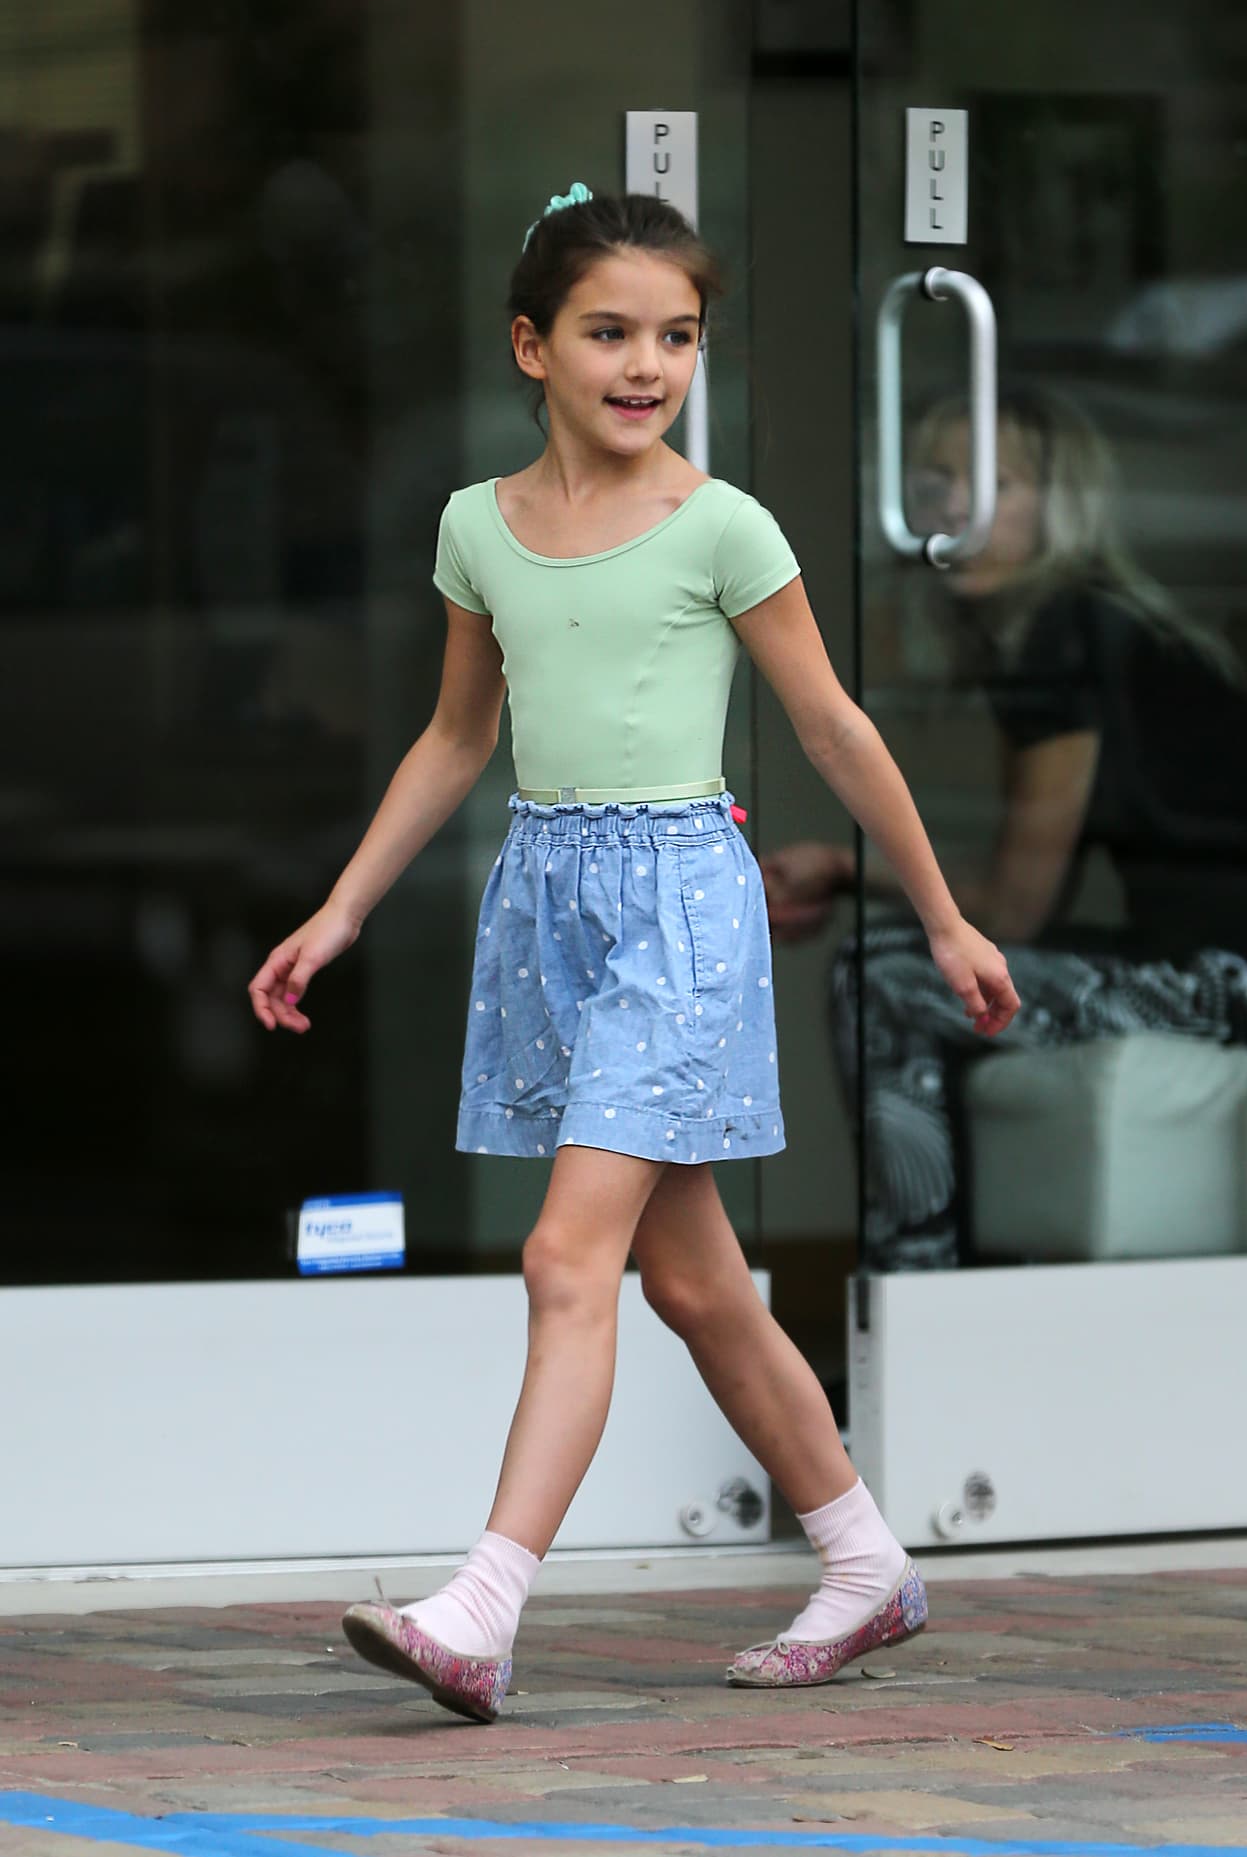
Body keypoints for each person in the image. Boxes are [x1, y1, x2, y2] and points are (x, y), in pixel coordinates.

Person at [247, 183, 1019, 1723]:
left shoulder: (720, 524)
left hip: (680, 907)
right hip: (546, 903)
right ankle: (868, 1562)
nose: (645, 362)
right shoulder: (479, 524)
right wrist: (340, 910)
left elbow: (830, 726)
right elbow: (461, 735)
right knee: (699, 1285)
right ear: (532, 346)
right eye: (610, 331)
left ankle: (484, 1604)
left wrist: (940, 910)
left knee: (562, 1254)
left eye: (676, 335)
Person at [765, 386, 1247, 1270]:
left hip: (1244, 985)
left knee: (880, 975)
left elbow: (1016, 904)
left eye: (998, 482)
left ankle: (918, 1295)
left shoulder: (1067, 636)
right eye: (937, 479)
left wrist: (846, 871)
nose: (957, 505)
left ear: (1061, 508)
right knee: (932, 972)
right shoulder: (1088, 629)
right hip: (1215, 964)